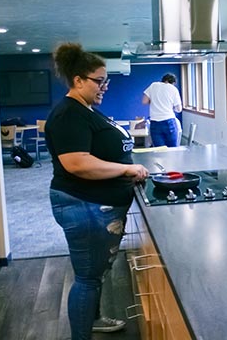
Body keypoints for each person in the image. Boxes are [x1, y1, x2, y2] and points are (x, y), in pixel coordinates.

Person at [45, 42, 149, 340]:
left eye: (106, 80)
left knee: (95, 273)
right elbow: (78, 163)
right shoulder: (69, 114)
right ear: (78, 80)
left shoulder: (85, 109)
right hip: (84, 204)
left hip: (96, 204)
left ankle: (94, 319)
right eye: (99, 81)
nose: (104, 86)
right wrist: (126, 169)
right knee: (87, 278)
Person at [142, 73, 183, 147]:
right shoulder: (173, 89)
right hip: (169, 121)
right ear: (172, 83)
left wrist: (154, 102)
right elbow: (179, 109)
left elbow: (144, 101)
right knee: (172, 149)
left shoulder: (153, 85)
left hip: (155, 122)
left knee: (159, 150)